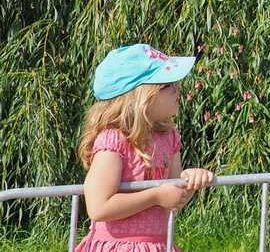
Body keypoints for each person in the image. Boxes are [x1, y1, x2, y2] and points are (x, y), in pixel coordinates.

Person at [76, 44, 215, 252]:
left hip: (157, 245)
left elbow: (174, 197)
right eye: (167, 85)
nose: (177, 88)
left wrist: (191, 181)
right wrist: (156, 196)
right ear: (139, 97)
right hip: (117, 247)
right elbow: (98, 207)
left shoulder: (168, 138)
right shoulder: (113, 141)